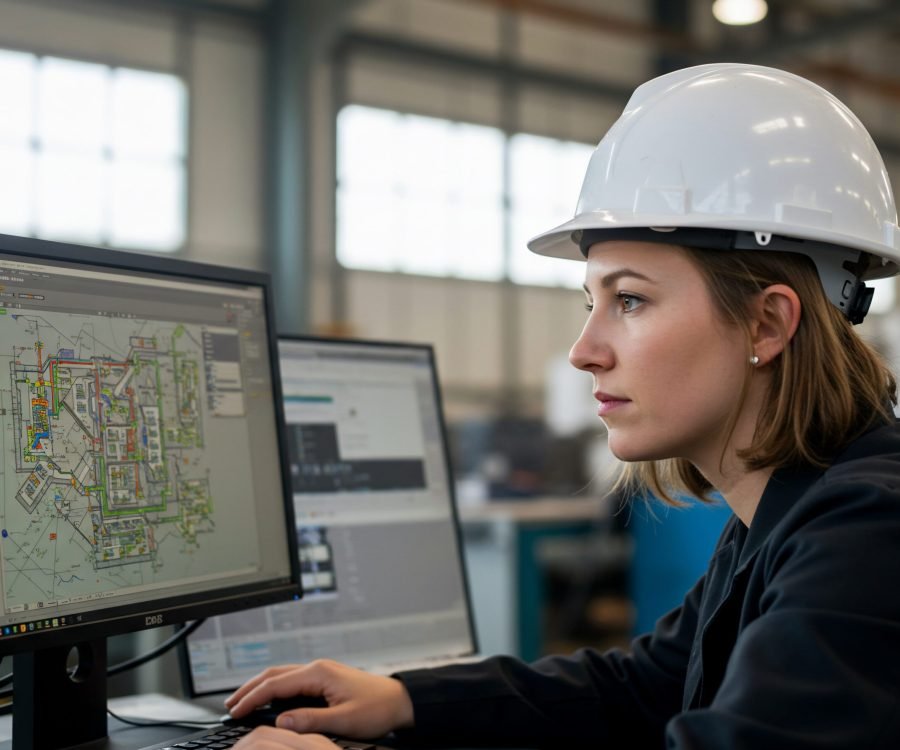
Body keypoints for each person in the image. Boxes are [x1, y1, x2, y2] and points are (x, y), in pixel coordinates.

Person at [226, 63, 900, 748]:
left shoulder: (868, 533)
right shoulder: (785, 514)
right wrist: (406, 699)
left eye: (629, 299)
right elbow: (645, 687)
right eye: (592, 304)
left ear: (766, 324)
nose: (584, 350)